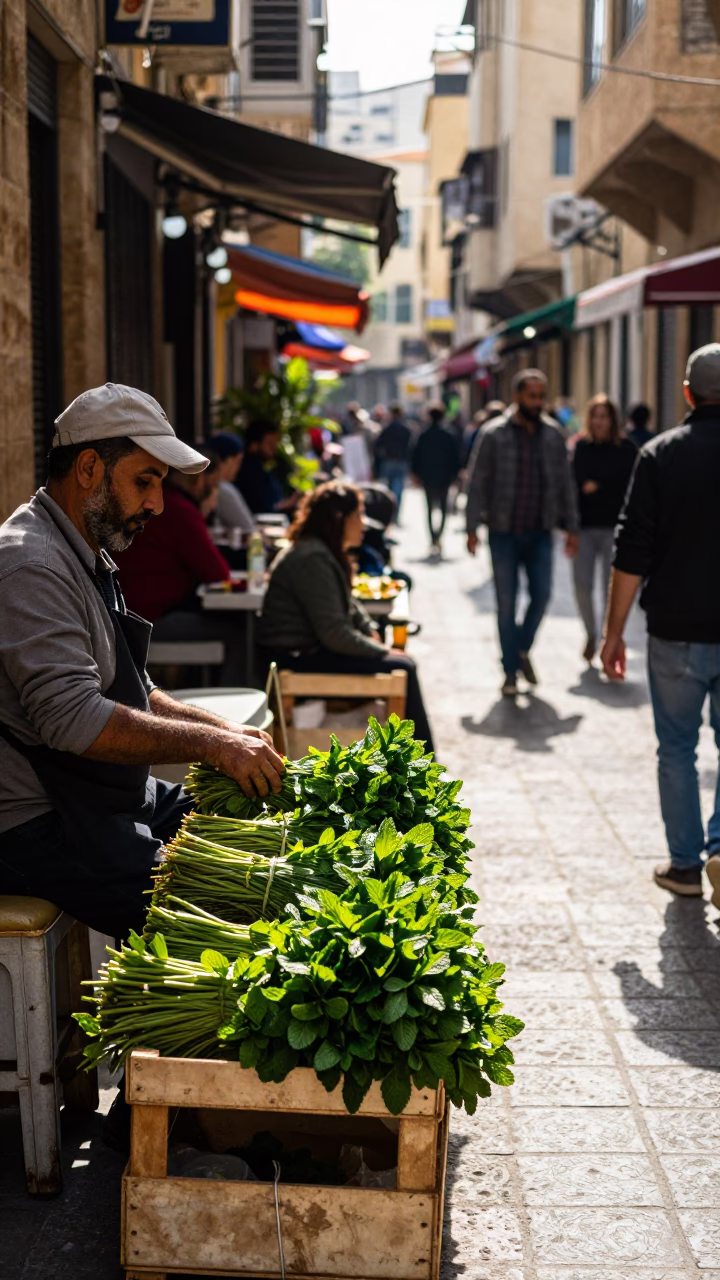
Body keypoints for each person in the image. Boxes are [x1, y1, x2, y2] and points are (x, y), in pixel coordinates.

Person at [0, 384, 285, 1131]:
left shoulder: (82, 552)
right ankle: (169, 1127)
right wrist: (212, 743)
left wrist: (226, 738)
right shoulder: (29, 563)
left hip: (102, 796)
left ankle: (171, 1106)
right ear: (89, 468)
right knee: (218, 912)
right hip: (35, 823)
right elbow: (70, 719)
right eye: (145, 481)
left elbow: (135, 689)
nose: (157, 505)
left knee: (246, 847)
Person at [601, 344, 720, 905]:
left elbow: (632, 549)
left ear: (688, 393)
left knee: (676, 749)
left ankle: (685, 867)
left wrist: (612, 632)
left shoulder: (659, 454)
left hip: (674, 631)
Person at [258, 481, 434, 751]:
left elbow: (348, 604)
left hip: (310, 650)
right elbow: (335, 634)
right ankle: (422, 761)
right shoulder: (312, 558)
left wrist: (369, 630)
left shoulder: (321, 551)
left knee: (401, 663)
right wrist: (380, 650)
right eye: (359, 514)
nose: (363, 523)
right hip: (296, 657)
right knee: (403, 667)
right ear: (340, 518)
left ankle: (411, 757)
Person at [465, 369, 579, 698]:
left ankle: (520, 649)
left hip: (540, 531)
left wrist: (572, 526)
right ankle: (510, 671)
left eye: (542, 396)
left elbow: (565, 485)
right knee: (505, 602)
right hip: (503, 532)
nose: (538, 402)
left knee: (542, 595)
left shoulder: (553, 435)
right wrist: (471, 527)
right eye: (532, 396)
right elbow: (477, 481)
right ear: (517, 397)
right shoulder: (494, 434)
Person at [572, 395, 637, 664]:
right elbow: (575, 483)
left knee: (608, 589)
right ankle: (591, 632)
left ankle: (605, 636)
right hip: (584, 527)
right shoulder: (582, 447)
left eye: (604, 416)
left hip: (614, 528)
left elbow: (631, 487)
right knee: (581, 586)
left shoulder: (627, 450)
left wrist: (598, 485)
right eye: (595, 416)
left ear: (613, 420)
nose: (600, 422)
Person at [410, 403, 461, 553]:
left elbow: (414, 455)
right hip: (444, 476)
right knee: (444, 508)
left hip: (428, 476)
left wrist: (415, 474)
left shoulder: (423, 435)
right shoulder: (449, 434)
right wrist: (456, 475)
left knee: (429, 508)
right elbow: (456, 457)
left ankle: (433, 538)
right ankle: (439, 537)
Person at [206, 432, 255, 534]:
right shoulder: (222, 489)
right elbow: (249, 529)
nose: (239, 468)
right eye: (238, 461)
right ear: (228, 460)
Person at [236, 419, 288, 514]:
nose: (274, 448)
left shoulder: (262, 467)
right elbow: (266, 507)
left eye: (275, 443)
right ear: (254, 444)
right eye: (269, 443)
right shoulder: (249, 471)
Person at [374, 403, 413, 520]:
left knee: (390, 489)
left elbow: (378, 446)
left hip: (390, 461)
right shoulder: (406, 429)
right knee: (398, 489)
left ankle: (390, 513)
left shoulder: (387, 428)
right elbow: (411, 448)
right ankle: (395, 513)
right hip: (401, 462)